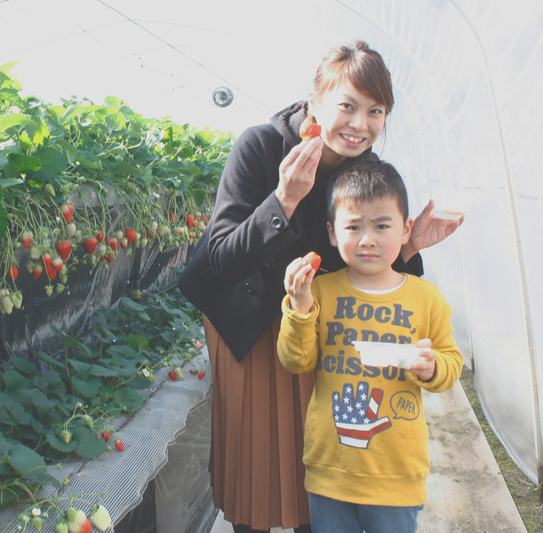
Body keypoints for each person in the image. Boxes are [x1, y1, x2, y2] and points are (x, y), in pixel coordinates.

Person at [177, 40, 463, 533]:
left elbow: (361, 261)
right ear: (316, 103)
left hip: (312, 318)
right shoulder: (261, 147)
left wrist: (410, 248)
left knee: (312, 445)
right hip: (244, 318)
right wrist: (283, 200)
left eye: (376, 111)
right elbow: (221, 258)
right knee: (254, 454)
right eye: (347, 106)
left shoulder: (363, 172)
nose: (360, 124)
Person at [277, 156, 464, 532]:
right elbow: (296, 361)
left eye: (382, 226)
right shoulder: (321, 292)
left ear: (407, 229)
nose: (367, 239)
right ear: (332, 233)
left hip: (396, 475)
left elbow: (451, 362)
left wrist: (432, 368)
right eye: (353, 226)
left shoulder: (426, 300)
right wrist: (299, 306)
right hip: (331, 469)